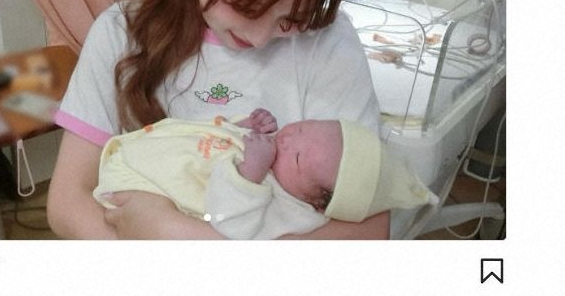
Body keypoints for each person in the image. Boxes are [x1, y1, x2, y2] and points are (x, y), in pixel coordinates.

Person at [47, 0, 389, 239]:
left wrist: (183, 241)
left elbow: (371, 227)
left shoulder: (329, 42)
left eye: (292, 20)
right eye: (245, 5)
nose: (259, 38)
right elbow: (67, 203)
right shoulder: (121, 31)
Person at [94, 108, 437, 239]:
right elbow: (227, 138)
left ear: (315, 202)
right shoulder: (279, 161)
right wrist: (244, 125)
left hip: (138, 185)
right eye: (303, 127)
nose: (287, 139)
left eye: (297, 157)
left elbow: (229, 223)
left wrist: (249, 174)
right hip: (149, 146)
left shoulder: (291, 210)